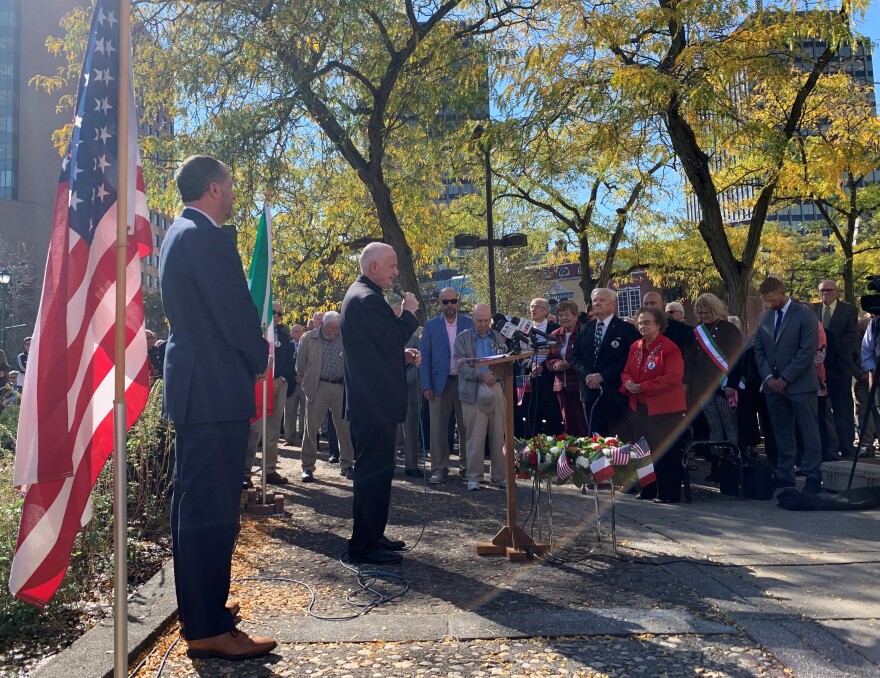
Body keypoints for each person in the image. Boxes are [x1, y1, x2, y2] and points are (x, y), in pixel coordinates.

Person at [159, 155, 276, 660]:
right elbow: (235, 312)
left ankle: (203, 610)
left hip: (197, 388)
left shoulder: (178, 233)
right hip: (213, 389)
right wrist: (259, 354)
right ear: (212, 188)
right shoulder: (205, 238)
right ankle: (207, 626)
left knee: (195, 506)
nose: (233, 195)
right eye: (229, 187)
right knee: (212, 508)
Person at [340, 243, 420, 566]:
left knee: (378, 473)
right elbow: (391, 337)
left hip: (373, 401)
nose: (396, 272)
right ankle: (363, 545)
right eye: (391, 265)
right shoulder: (367, 299)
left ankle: (373, 535)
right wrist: (410, 312)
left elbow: (375, 350)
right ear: (373, 266)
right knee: (372, 475)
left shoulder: (364, 295)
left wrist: (400, 357)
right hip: (373, 405)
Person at [752, 277, 822, 494]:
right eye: (765, 301)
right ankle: (785, 475)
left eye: (772, 299)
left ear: (783, 294)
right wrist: (769, 378)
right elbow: (759, 350)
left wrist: (786, 378)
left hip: (800, 384)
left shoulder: (804, 315)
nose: (769, 304)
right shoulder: (764, 318)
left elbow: (807, 351)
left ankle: (812, 475)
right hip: (773, 387)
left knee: (809, 432)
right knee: (781, 433)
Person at [620, 306, 687, 502]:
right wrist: (629, 383)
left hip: (664, 408)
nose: (643, 326)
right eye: (640, 322)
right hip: (640, 406)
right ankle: (647, 489)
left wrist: (644, 386)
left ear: (658, 325)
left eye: (647, 322)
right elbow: (626, 372)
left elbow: (673, 378)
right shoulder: (636, 346)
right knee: (642, 450)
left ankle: (668, 493)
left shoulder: (669, 347)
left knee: (664, 450)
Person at [419, 287, 472, 485]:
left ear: (458, 301)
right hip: (438, 383)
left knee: (467, 426)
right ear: (439, 304)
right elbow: (424, 358)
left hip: (464, 382)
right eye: (445, 301)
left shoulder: (469, 323)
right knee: (438, 428)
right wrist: (426, 385)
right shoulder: (431, 326)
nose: (449, 305)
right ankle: (439, 468)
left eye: (453, 301)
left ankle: (467, 467)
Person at [454, 303, 508, 491]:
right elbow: (461, 367)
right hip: (473, 389)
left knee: (498, 435)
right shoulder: (463, 338)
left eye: (486, 320)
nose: (483, 324)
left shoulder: (499, 336)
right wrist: (482, 376)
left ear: (491, 318)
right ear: (472, 319)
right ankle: (474, 477)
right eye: (479, 320)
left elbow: (506, 360)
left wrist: (496, 375)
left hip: (496, 387)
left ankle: (499, 476)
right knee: (475, 436)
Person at [571, 288, 639, 436]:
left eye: (602, 300)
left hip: (615, 392)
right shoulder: (585, 328)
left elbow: (629, 359)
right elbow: (575, 356)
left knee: (618, 440)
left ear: (612, 305)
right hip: (590, 392)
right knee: (595, 439)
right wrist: (588, 376)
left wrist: (603, 376)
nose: (597, 303)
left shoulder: (626, 329)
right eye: (595, 300)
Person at [296, 310, 355, 481]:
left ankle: (347, 464)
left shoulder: (346, 337)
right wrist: (308, 383)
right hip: (317, 387)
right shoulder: (308, 338)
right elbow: (299, 367)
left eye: (336, 331)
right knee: (311, 428)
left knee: (344, 429)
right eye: (330, 330)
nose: (333, 334)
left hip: (340, 387)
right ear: (321, 325)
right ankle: (307, 467)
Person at [244, 301, 297, 486]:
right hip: (258, 386)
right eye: (272, 312)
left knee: (273, 430)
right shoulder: (253, 334)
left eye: (280, 313)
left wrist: (280, 379)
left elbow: (291, 363)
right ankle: (245, 473)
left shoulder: (284, 336)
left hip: (278, 386)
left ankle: (270, 469)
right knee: (254, 431)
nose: (276, 316)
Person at [685, 293, 743, 449]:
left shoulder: (729, 329)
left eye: (707, 312)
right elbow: (690, 360)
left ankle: (732, 459)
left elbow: (737, 358)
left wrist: (732, 383)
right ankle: (716, 461)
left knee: (728, 423)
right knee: (713, 424)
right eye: (701, 313)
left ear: (715, 309)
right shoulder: (697, 332)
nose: (704, 316)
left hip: (724, 384)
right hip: (703, 385)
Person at [813, 279, 859, 459]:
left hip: (840, 366)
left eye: (829, 290)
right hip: (818, 369)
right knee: (822, 411)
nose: (825, 294)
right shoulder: (813, 310)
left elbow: (850, 337)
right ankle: (827, 448)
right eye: (822, 291)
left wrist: (828, 348)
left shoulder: (849, 311)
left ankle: (846, 446)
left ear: (836, 291)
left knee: (843, 409)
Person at [517, 298, 563, 437]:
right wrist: (532, 365)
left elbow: (557, 352)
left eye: (537, 306)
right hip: (530, 377)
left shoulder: (554, 329)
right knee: (532, 414)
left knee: (552, 413)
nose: (533, 309)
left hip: (549, 377)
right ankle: (530, 451)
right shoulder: (523, 329)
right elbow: (519, 355)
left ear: (546, 310)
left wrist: (542, 366)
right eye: (531, 306)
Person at [546, 300, 588, 435]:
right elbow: (549, 358)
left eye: (567, 314)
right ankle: (572, 451)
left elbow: (586, 357)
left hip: (579, 384)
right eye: (561, 315)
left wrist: (570, 364)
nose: (563, 318)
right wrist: (555, 365)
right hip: (561, 385)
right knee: (568, 422)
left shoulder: (584, 332)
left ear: (575, 316)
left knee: (582, 422)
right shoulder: (554, 334)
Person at [284, 323, 306, 444]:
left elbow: (312, 363)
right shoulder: (287, 346)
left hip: (305, 383)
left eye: (300, 331)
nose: (298, 333)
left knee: (305, 412)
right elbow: (286, 363)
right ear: (291, 334)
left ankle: (304, 436)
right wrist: (294, 377)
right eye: (296, 331)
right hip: (291, 383)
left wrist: (303, 376)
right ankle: (289, 438)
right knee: (289, 412)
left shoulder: (308, 345)